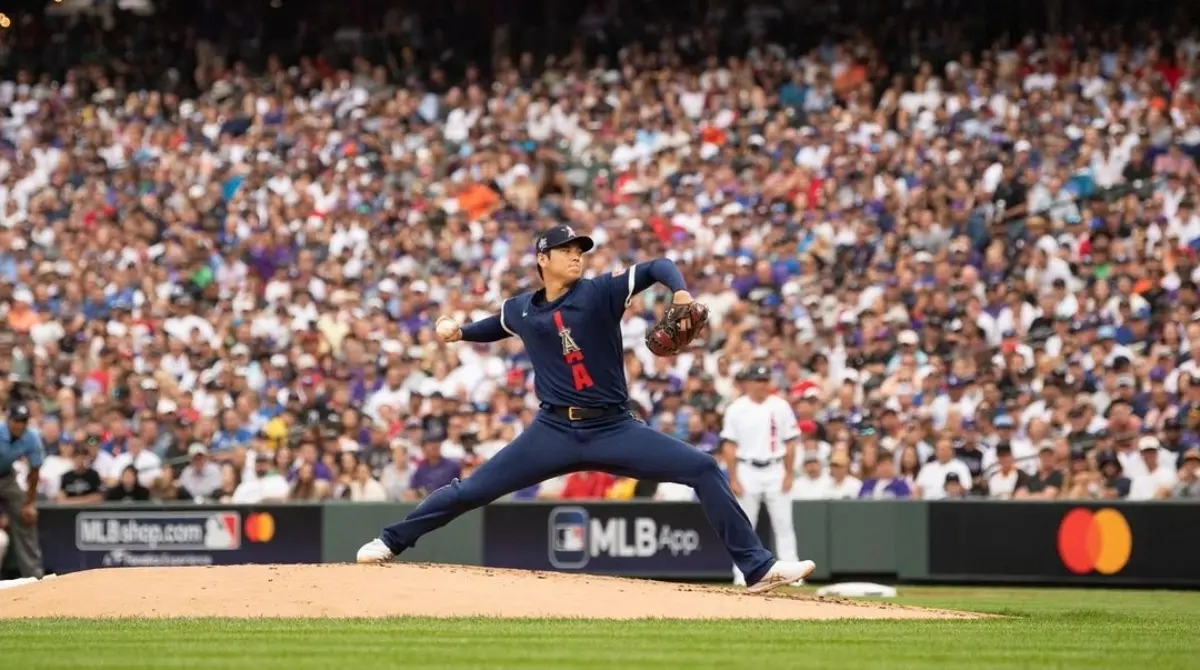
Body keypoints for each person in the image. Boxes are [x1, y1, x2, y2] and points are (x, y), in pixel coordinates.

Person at [357, 225, 815, 592]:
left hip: (615, 428)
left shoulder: (599, 292)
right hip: (552, 432)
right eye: (565, 249)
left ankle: (757, 568)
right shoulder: (520, 309)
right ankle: (391, 540)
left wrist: (679, 293)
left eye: (579, 248)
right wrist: (460, 333)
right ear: (543, 259)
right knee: (473, 489)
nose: (577, 255)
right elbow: (496, 325)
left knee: (703, 467)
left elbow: (659, 264)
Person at [720, 363, 802, 587]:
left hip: (776, 467)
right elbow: (729, 445)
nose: (762, 385)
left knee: (784, 524)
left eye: (765, 380)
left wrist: (789, 473)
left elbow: (791, 442)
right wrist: (734, 477)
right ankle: (742, 574)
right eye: (757, 380)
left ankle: (793, 577)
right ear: (747, 383)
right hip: (747, 468)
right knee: (745, 525)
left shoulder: (780, 406)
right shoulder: (736, 408)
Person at [0, 404, 46, 578]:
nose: (20, 425)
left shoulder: (31, 437)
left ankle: (34, 575)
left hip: (6, 477)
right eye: (16, 421)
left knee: (25, 516)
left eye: (23, 421)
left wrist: (29, 503)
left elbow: (34, 472)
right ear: (8, 420)